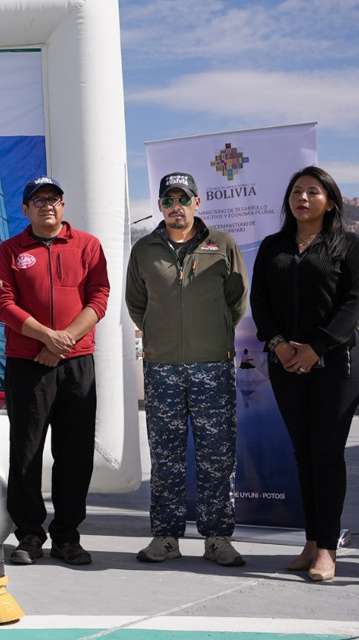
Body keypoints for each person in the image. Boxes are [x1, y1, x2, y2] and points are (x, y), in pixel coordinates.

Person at [126, 172, 248, 567]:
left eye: (183, 198)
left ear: (197, 203)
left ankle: (217, 538)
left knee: (217, 455)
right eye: (168, 200)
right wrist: (165, 336)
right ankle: (165, 537)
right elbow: (136, 303)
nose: (175, 206)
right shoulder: (144, 249)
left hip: (212, 365)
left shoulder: (222, 245)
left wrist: (209, 334)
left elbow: (237, 300)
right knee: (166, 456)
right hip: (162, 367)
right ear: (160, 206)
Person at [250, 166, 359, 582]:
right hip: (286, 363)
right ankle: (311, 541)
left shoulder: (347, 245)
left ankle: (328, 549)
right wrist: (278, 342)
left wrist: (317, 347)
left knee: (327, 454)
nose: (303, 198)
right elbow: (260, 300)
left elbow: (353, 303)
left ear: (329, 201)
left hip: (337, 363)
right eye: (297, 191)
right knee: (303, 453)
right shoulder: (272, 246)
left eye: (313, 192)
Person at [0, 176, 109, 566]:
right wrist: (45, 337)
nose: (48, 205)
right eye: (38, 200)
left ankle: (67, 535)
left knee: (75, 452)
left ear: (63, 205)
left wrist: (63, 343)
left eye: (54, 199)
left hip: (77, 362)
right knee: (26, 451)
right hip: (28, 363)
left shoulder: (88, 245)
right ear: (24, 209)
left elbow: (99, 296)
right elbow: (4, 303)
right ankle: (28, 535)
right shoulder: (10, 250)